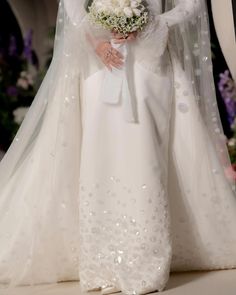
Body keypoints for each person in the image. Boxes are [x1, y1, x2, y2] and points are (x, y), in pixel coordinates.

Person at [0, 0, 235, 294]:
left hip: (152, 65)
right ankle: (103, 263)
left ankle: (144, 262)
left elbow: (192, 4)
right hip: (101, 63)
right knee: (101, 157)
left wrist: (157, 23)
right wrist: (94, 41)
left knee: (146, 156)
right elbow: (72, 5)